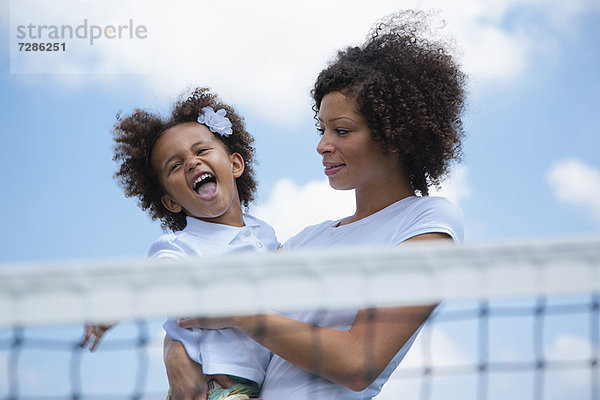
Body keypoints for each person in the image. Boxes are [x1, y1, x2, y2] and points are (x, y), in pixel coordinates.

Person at [169, 10, 467, 400]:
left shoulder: (428, 221)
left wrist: (241, 314)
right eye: (321, 129)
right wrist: (174, 351)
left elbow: (359, 362)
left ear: (395, 135)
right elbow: (202, 308)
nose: (322, 144)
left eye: (341, 130)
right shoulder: (303, 242)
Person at [79, 87, 279, 400]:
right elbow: (151, 281)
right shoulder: (179, 247)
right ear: (171, 202)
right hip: (215, 386)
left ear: (236, 164)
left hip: (265, 382)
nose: (191, 163)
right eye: (175, 165)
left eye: (202, 151)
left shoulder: (264, 232)